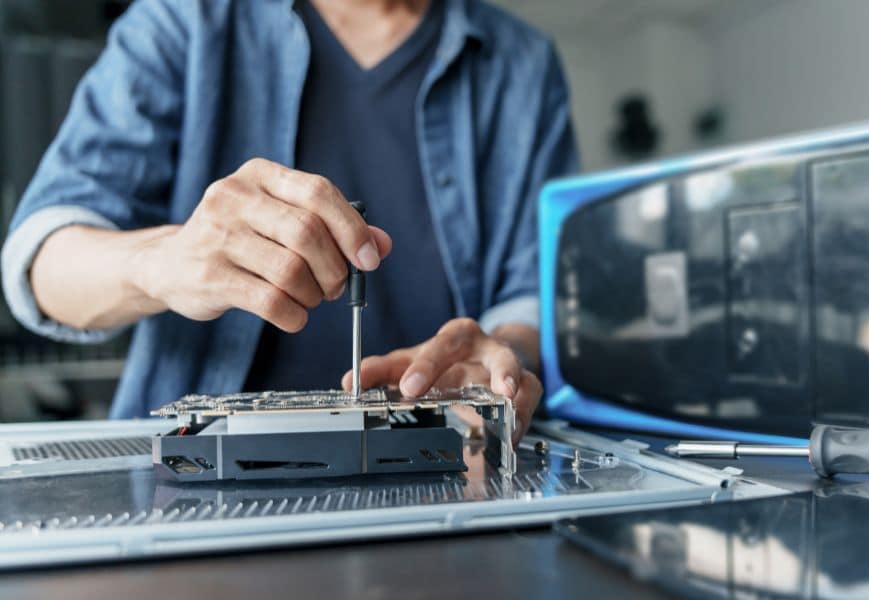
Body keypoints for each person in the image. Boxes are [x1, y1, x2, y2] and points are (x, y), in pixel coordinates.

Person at [0, 0, 577, 443]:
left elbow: (533, 294)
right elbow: (41, 263)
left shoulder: (521, 65)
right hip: (192, 491)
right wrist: (166, 261)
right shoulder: (186, 20)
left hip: (445, 476)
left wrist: (498, 361)